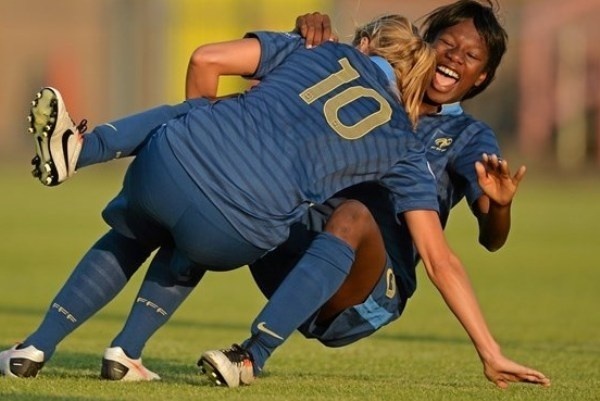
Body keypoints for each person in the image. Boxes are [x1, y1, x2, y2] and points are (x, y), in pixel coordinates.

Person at [0, 14, 440, 381]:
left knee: (153, 196)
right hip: (237, 232)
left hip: (166, 169)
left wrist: (202, 142)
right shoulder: (405, 142)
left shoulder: (314, 49)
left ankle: (34, 346)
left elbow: (205, 57)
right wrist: (488, 350)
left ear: (365, 43)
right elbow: (438, 256)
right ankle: (126, 353)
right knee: (196, 239)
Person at [198, 1, 550, 389]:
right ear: (423, 44)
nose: (454, 58)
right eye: (447, 44)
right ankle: (128, 351)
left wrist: (500, 206)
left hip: (368, 294)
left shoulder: (467, 137)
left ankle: (250, 356)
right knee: (221, 188)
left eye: (471, 56)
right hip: (297, 251)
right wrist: (306, 39)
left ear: (481, 77)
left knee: (354, 214)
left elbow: (489, 239)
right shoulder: (363, 93)